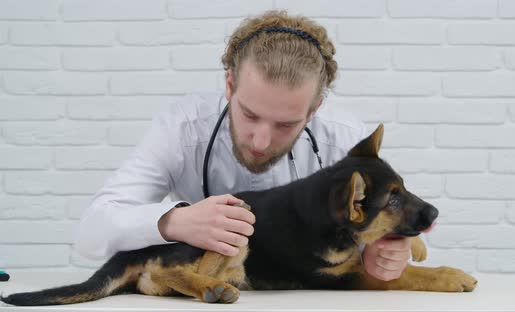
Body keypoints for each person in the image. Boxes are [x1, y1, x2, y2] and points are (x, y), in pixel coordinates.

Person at [74, 10, 410, 282]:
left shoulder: (344, 139)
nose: (261, 142)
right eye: (249, 114)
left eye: (286, 124)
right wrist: (173, 222)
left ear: (314, 110)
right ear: (230, 85)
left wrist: (382, 254)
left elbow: (390, 236)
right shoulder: (183, 128)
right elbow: (89, 235)